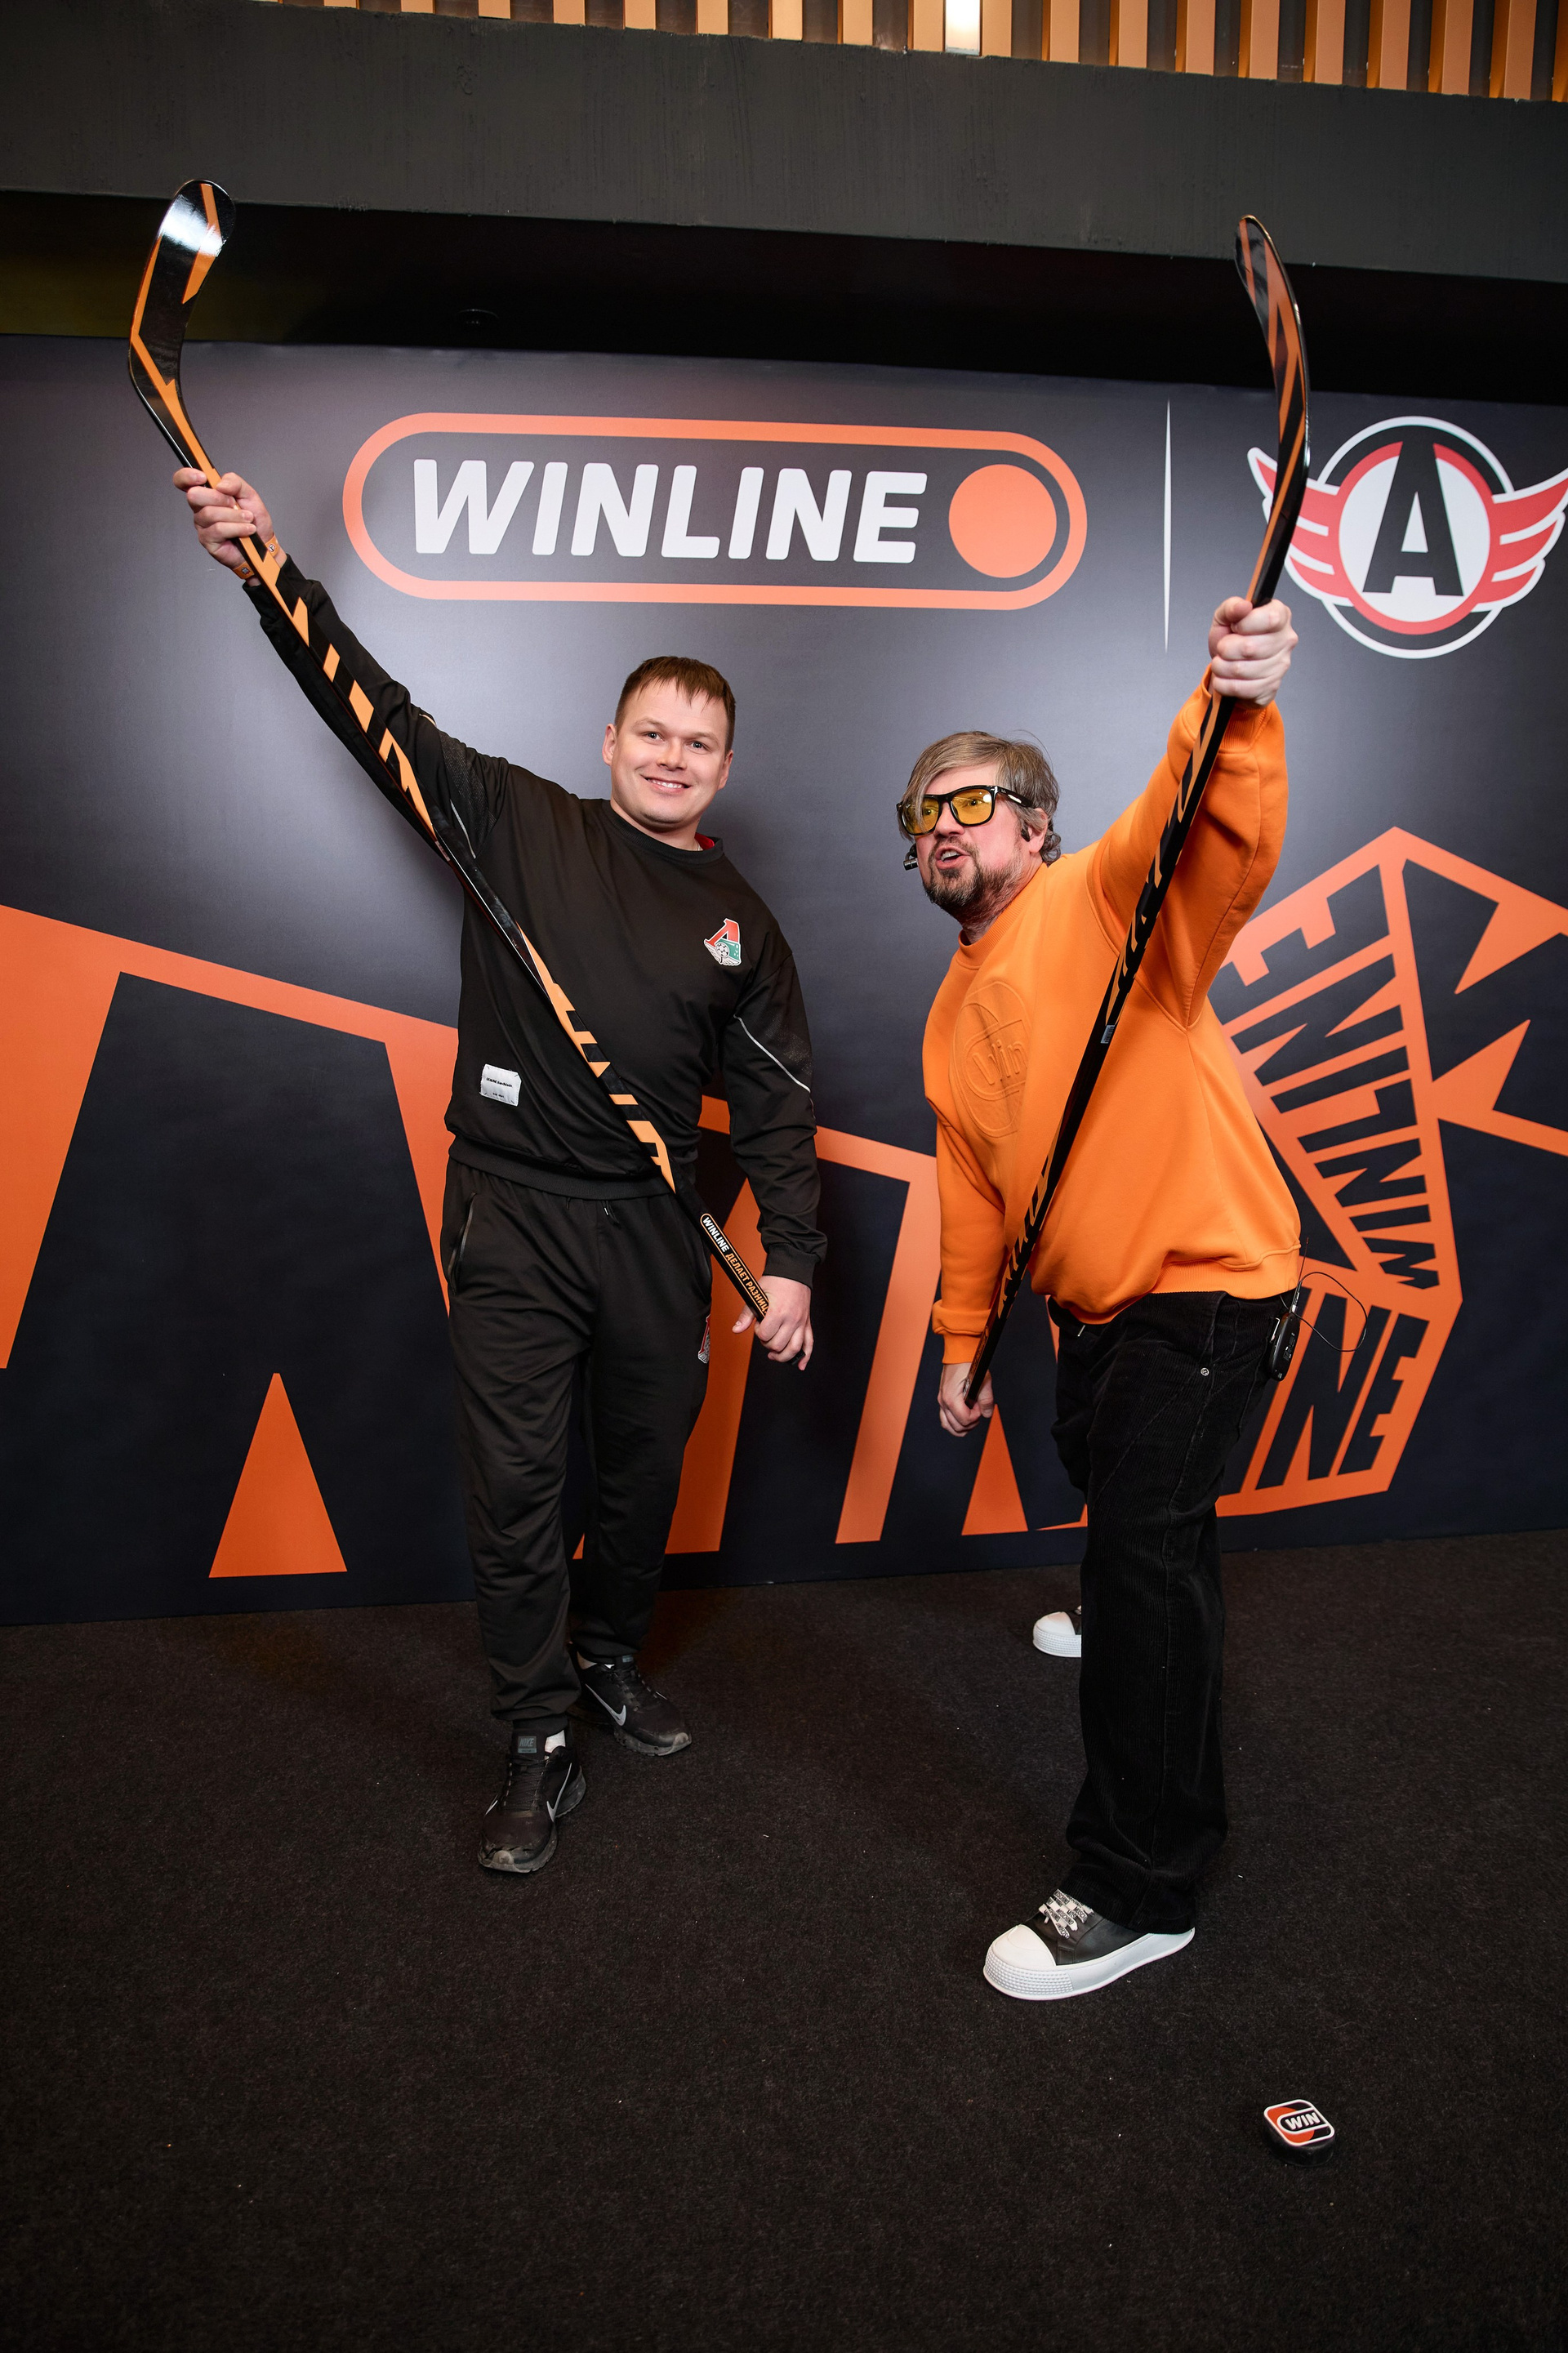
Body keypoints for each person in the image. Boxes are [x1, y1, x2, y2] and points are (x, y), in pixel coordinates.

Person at [175, 466, 824, 1878]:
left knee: (640, 1480)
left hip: (658, 1232)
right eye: (652, 732)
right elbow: (370, 709)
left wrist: (790, 1264)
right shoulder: (515, 819)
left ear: (724, 767)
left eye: (699, 743)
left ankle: (605, 1657)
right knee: (519, 1485)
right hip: (515, 1214)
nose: (672, 757)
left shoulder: (742, 922)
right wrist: (268, 569)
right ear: (609, 740)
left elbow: (779, 1105)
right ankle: (535, 1732)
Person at [902, 595, 1300, 2001]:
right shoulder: (951, 1011)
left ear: (1036, 826)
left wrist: (1234, 705)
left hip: (1205, 1290)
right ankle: (1135, 1598)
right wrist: (962, 1344)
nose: (941, 827)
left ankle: (1140, 1886)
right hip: (1095, 1314)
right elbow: (974, 1193)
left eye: (970, 802)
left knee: (1143, 1567)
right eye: (921, 814)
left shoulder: (1099, 903)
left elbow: (1198, 828)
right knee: (1126, 1516)